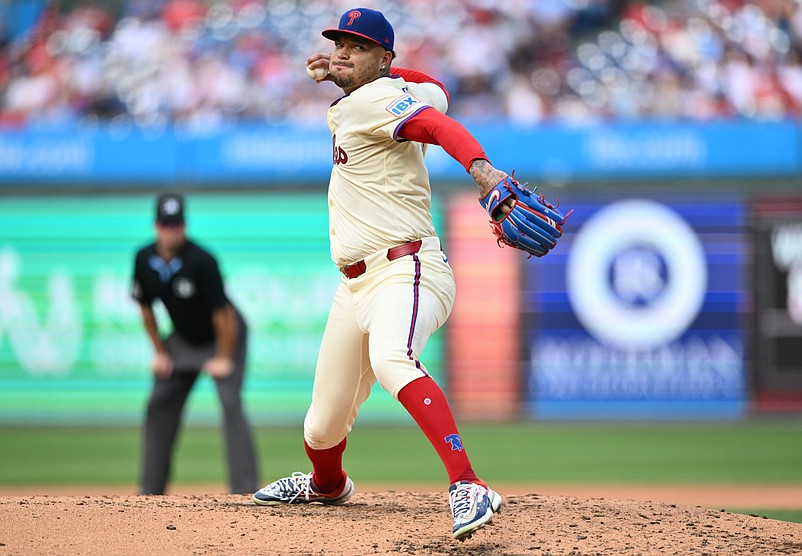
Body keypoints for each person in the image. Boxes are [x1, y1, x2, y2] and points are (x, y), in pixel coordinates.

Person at [252, 7, 516, 541]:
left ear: (384, 59)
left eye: (358, 45)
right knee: (321, 424)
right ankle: (327, 486)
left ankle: (468, 483)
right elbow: (435, 91)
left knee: (392, 358)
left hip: (406, 270)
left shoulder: (372, 100)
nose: (343, 51)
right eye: (339, 42)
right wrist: (375, 73)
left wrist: (481, 168)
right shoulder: (391, 91)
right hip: (354, 285)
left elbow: (436, 125)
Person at [131, 193, 259, 495]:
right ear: (155, 226)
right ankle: (150, 492)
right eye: (165, 225)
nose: (171, 231)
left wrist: (225, 357)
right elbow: (145, 307)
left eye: (176, 225)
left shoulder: (201, 260)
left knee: (230, 403)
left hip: (225, 334)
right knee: (158, 402)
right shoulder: (143, 259)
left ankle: (244, 490)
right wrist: (160, 352)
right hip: (184, 337)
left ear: (184, 226)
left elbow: (223, 313)